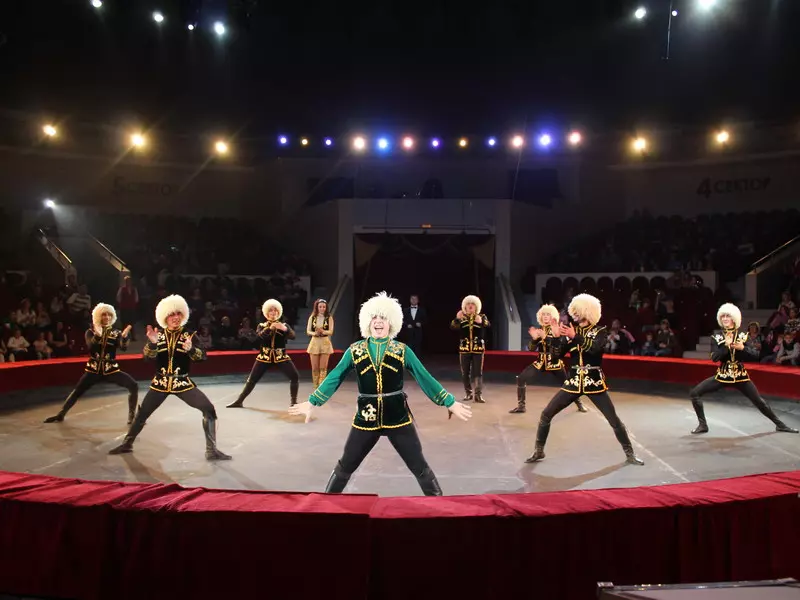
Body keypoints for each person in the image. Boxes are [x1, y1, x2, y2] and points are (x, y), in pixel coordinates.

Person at [289, 292, 472, 496]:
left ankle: (440, 507)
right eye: (374, 317)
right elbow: (334, 377)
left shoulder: (402, 350)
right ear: (367, 322)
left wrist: (449, 401)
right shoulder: (354, 350)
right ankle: (325, 506)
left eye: (383, 318)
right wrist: (312, 402)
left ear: (391, 322)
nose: (378, 322)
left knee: (419, 467)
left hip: (398, 418)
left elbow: (424, 377)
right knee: (345, 466)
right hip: (365, 419)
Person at [525, 294, 644, 466]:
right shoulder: (570, 331)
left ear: (586, 311)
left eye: (577, 310)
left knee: (613, 419)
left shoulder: (600, 331)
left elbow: (594, 349)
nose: (573, 314)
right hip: (574, 382)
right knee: (546, 414)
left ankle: (630, 454)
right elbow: (556, 356)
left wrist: (574, 337)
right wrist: (556, 338)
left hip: (594, 383)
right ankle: (539, 451)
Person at [108, 294, 232, 460]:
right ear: (165, 317)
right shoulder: (158, 335)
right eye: (172, 314)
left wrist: (190, 349)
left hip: (182, 382)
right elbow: (147, 358)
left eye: (178, 314)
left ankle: (211, 451)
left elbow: (202, 357)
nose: (175, 317)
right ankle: (127, 444)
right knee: (142, 413)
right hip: (160, 382)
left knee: (208, 409)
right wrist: (153, 343)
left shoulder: (189, 335)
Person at [689, 303, 798, 435]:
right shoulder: (717, 337)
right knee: (695, 393)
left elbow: (756, 355)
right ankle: (703, 425)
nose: (725, 318)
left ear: (734, 318)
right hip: (722, 375)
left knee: (759, 402)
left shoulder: (742, 336)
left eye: (728, 316)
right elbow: (714, 358)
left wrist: (742, 348)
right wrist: (726, 346)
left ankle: (780, 425)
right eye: (723, 316)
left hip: (740, 376)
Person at [44, 303, 138, 424]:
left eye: (109, 315)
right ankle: (61, 414)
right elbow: (91, 346)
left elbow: (123, 348)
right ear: (98, 316)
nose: (107, 317)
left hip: (110, 369)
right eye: (104, 314)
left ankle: (131, 416)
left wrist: (124, 337)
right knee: (77, 391)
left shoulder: (116, 333)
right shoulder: (90, 332)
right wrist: (98, 335)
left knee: (133, 385)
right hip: (93, 369)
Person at [509, 304, 586, 414]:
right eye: (544, 314)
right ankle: (521, 406)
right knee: (521, 378)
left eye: (548, 314)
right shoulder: (540, 330)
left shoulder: (557, 329)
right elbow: (531, 349)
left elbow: (559, 347)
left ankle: (579, 403)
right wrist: (535, 339)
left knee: (568, 384)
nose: (545, 316)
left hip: (554, 362)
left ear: (553, 316)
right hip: (541, 362)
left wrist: (545, 337)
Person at [227, 298, 300, 407]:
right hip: (264, 357)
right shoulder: (261, 325)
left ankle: (294, 402)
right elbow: (258, 338)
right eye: (271, 311)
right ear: (267, 313)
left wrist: (284, 329)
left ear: (278, 312)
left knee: (295, 376)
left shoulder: (284, 325)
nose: (273, 313)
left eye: (275, 311)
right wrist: (269, 328)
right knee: (252, 379)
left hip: (280, 356)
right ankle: (239, 401)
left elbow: (293, 336)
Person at [450, 294, 490, 403]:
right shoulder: (461, 317)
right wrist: (457, 319)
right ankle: (468, 393)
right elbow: (452, 326)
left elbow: (488, 325)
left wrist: (481, 322)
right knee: (465, 372)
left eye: (473, 304)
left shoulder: (482, 316)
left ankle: (478, 395)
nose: (470, 306)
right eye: (468, 304)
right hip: (464, 349)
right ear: (465, 306)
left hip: (478, 349)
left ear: (476, 306)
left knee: (478, 372)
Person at [305, 298, 335, 389]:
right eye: (320, 307)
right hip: (314, 342)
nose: (322, 308)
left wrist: (323, 331)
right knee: (315, 368)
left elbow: (331, 331)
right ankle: (315, 386)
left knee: (323, 368)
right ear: (317, 307)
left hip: (325, 343)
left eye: (324, 307)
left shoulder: (329, 318)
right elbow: (308, 331)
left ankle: (321, 388)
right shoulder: (312, 317)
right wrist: (315, 333)